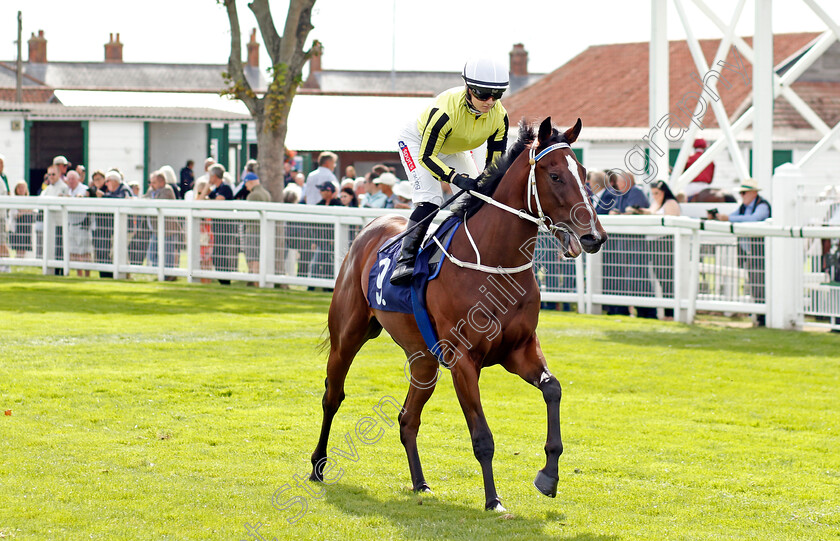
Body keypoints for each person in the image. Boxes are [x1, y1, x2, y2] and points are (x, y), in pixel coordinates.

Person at [390, 57, 510, 285]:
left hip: (454, 148)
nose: (490, 101)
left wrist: (484, 183)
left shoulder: (500, 117)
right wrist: (455, 178)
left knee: (478, 198)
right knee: (430, 200)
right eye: (483, 94)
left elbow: (494, 164)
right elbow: (427, 157)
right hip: (418, 143)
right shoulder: (445, 111)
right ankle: (405, 261)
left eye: (497, 95)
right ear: (468, 88)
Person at [708, 178, 771, 324]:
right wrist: (719, 217)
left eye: (744, 193)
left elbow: (754, 219)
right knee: (754, 283)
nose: (742, 196)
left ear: (754, 193)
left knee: (760, 283)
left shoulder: (762, 206)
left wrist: (728, 218)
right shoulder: (743, 207)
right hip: (750, 252)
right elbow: (735, 217)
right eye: (741, 193)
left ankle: (763, 315)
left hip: (761, 252)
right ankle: (758, 314)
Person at [198, 164, 236, 284]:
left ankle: (225, 280)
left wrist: (208, 200)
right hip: (217, 226)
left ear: (214, 176)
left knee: (222, 253)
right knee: (218, 254)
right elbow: (200, 201)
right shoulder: (216, 189)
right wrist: (207, 186)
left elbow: (217, 202)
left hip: (225, 226)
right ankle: (222, 279)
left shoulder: (225, 188)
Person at [144, 171, 179, 274]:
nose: (151, 185)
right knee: (151, 255)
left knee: (168, 256)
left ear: (162, 182)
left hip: (168, 230)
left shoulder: (167, 190)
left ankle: (168, 275)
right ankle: (161, 272)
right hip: (156, 229)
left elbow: (158, 203)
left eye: (153, 182)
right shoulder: (151, 190)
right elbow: (145, 198)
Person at [64, 170, 93, 276]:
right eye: (69, 179)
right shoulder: (67, 190)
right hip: (71, 224)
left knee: (85, 251)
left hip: (82, 225)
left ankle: (87, 274)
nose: (71, 181)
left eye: (73, 179)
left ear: (78, 179)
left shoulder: (84, 189)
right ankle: (79, 274)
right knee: (74, 251)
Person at [9, 180, 34, 259]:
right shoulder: (14, 199)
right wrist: (25, 211)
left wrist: (22, 211)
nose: (21, 189)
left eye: (23, 187)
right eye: (19, 187)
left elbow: (32, 211)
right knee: (18, 246)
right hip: (17, 227)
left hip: (26, 227)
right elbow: (15, 213)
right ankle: (18, 261)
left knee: (24, 247)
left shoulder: (29, 200)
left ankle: (21, 261)